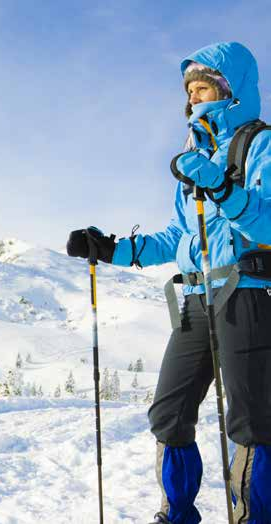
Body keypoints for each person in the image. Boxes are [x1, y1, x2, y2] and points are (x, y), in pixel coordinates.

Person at [66, 42, 271, 524]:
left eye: (203, 87)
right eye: (189, 91)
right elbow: (179, 234)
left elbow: (266, 224)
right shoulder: (194, 153)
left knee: (250, 420)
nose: (194, 99)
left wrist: (222, 189)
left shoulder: (259, 144)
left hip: (246, 293)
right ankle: (176, 514)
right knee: (169, 412)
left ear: (231, 90)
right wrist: (112, 248)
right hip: (196, 298)